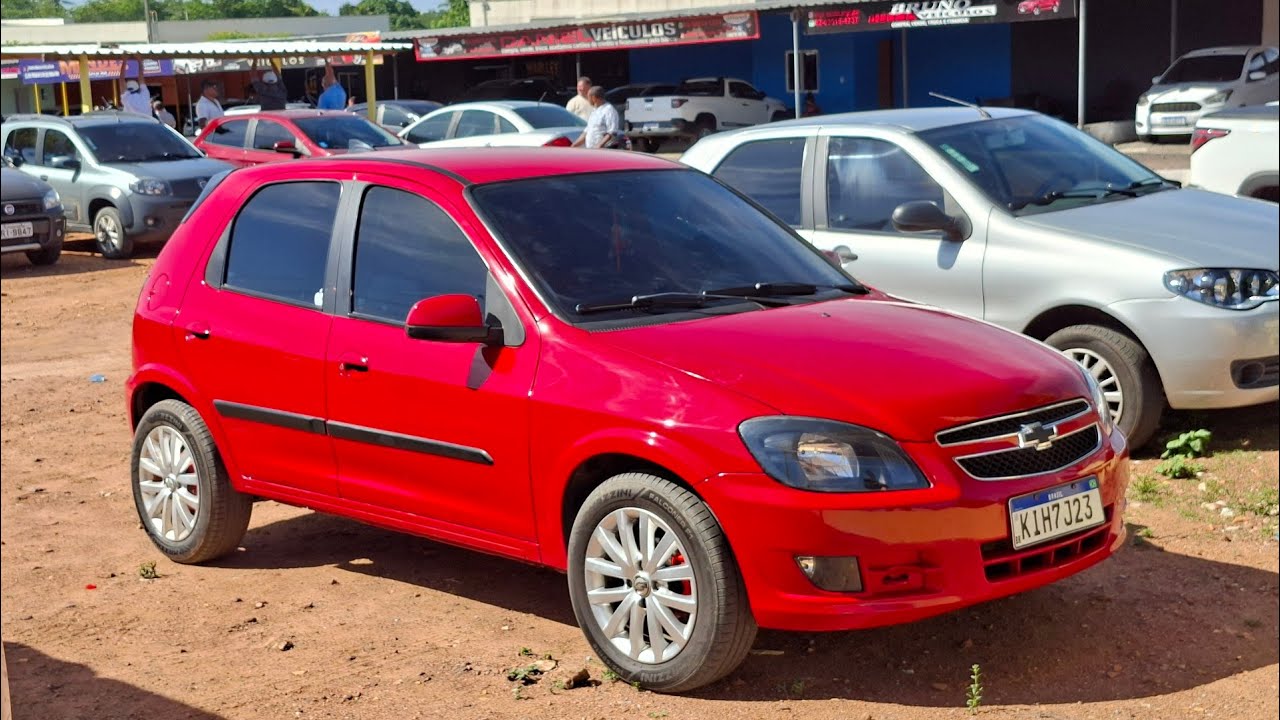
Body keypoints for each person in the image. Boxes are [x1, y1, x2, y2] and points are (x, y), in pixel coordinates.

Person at [572, 86, 623, 150]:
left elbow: (612, 132)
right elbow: (586, 132)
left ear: (594, 98)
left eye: (588, 97)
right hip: (591, 150)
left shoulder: (609, 110)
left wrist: (599, 145)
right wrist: (574, 145)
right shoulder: (595, 111)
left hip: (602, 151)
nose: (588, 99)